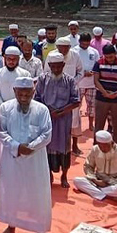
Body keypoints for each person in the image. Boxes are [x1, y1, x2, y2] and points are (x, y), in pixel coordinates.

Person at [0, 77, 52, 233]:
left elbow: (47, 134)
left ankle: (40, 230)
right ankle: (11, 226)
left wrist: (30, 147)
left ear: (33, 92)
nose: (24, 95)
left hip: (35, 160)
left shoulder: (42, 110)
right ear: (14, 91)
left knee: (38, 195)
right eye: (20, 92)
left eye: (27, 92)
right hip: (11, 159)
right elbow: (1, 131)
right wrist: (16, 146)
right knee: (12, 192)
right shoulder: (5, 108)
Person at [35, 52, 80, 188]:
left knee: (64, 148)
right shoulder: (42, 79)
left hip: (64, 120)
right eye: (53, 67)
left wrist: (62, 111)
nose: (56, 70)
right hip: (47, 119)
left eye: (58, 67)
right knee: (46, 147)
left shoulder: (70, 80)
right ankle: (48, 175)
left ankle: (64, 176)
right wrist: (49, 111)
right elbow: (37, 99)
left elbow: (75, 101)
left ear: (63, 65)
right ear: (49, 65)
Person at [73, 130, 117, 202]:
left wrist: (108, 182)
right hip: (97, 180)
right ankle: (104, 194)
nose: (103, 149)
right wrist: (94, 179)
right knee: (77, 180)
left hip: (115, 182)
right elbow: (88, 166)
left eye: (106, 146)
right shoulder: (95, 149)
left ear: (111, 143)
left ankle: (98, 193)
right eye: (101, 146)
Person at [93, 45, 117, 145]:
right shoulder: (98, 63)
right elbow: (96, 80)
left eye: (111, 57)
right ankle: (97, 146)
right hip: (101, 98)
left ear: (115, 54)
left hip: (116, 99)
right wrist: (105, 93)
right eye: (107, 57)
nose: (109, 59)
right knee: (99, 124)